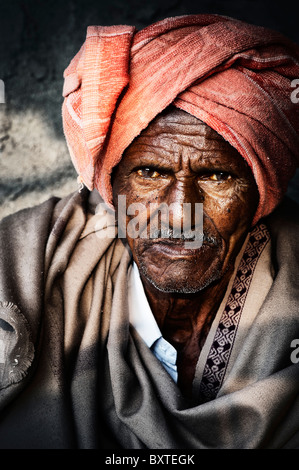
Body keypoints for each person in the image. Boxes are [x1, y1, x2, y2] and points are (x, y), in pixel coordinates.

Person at [0, 14, 299, 449]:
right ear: (111, 183)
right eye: (150, 173)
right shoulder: (25, 261)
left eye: (217, 176)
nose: (180, 215)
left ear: (260, 194)